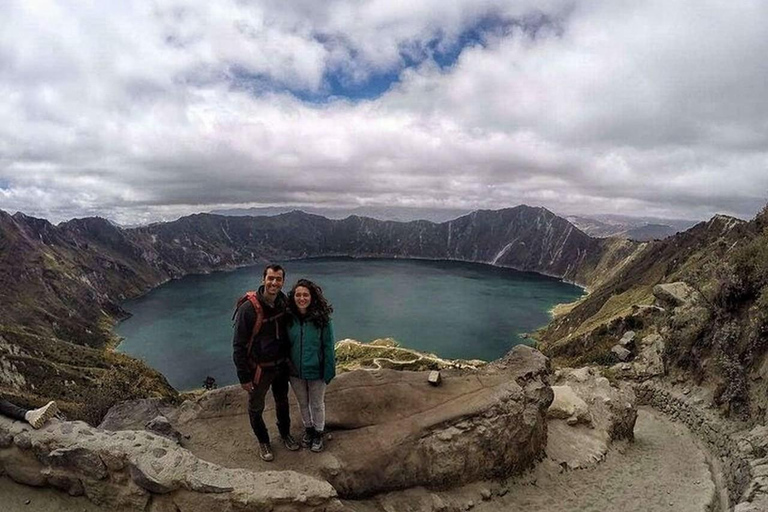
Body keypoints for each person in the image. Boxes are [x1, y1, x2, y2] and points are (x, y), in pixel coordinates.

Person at [232, 264, 300, 461]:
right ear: (263, 279)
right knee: (255, 407)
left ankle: (285, 434)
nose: (274, 283)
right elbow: (238, 345)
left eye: (278, 279)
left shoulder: (284, 303)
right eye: (271, 278)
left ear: (282, 282)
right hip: (259, 370)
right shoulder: (249, 309)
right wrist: (244, 377)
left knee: (282, 402)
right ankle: (263, 442)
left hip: (280, 365)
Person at [287, 278, 336, 452]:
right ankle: (308, 429)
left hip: (317, 369)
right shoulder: (288, 318)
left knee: (317, 403)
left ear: (312, 297)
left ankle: (318, 433)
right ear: (293, 297)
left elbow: (328, 346)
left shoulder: (321, 319)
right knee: (302, 403)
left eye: (305, 295)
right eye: (298, 295)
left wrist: (329, 370)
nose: (301, 298)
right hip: (295, 371)